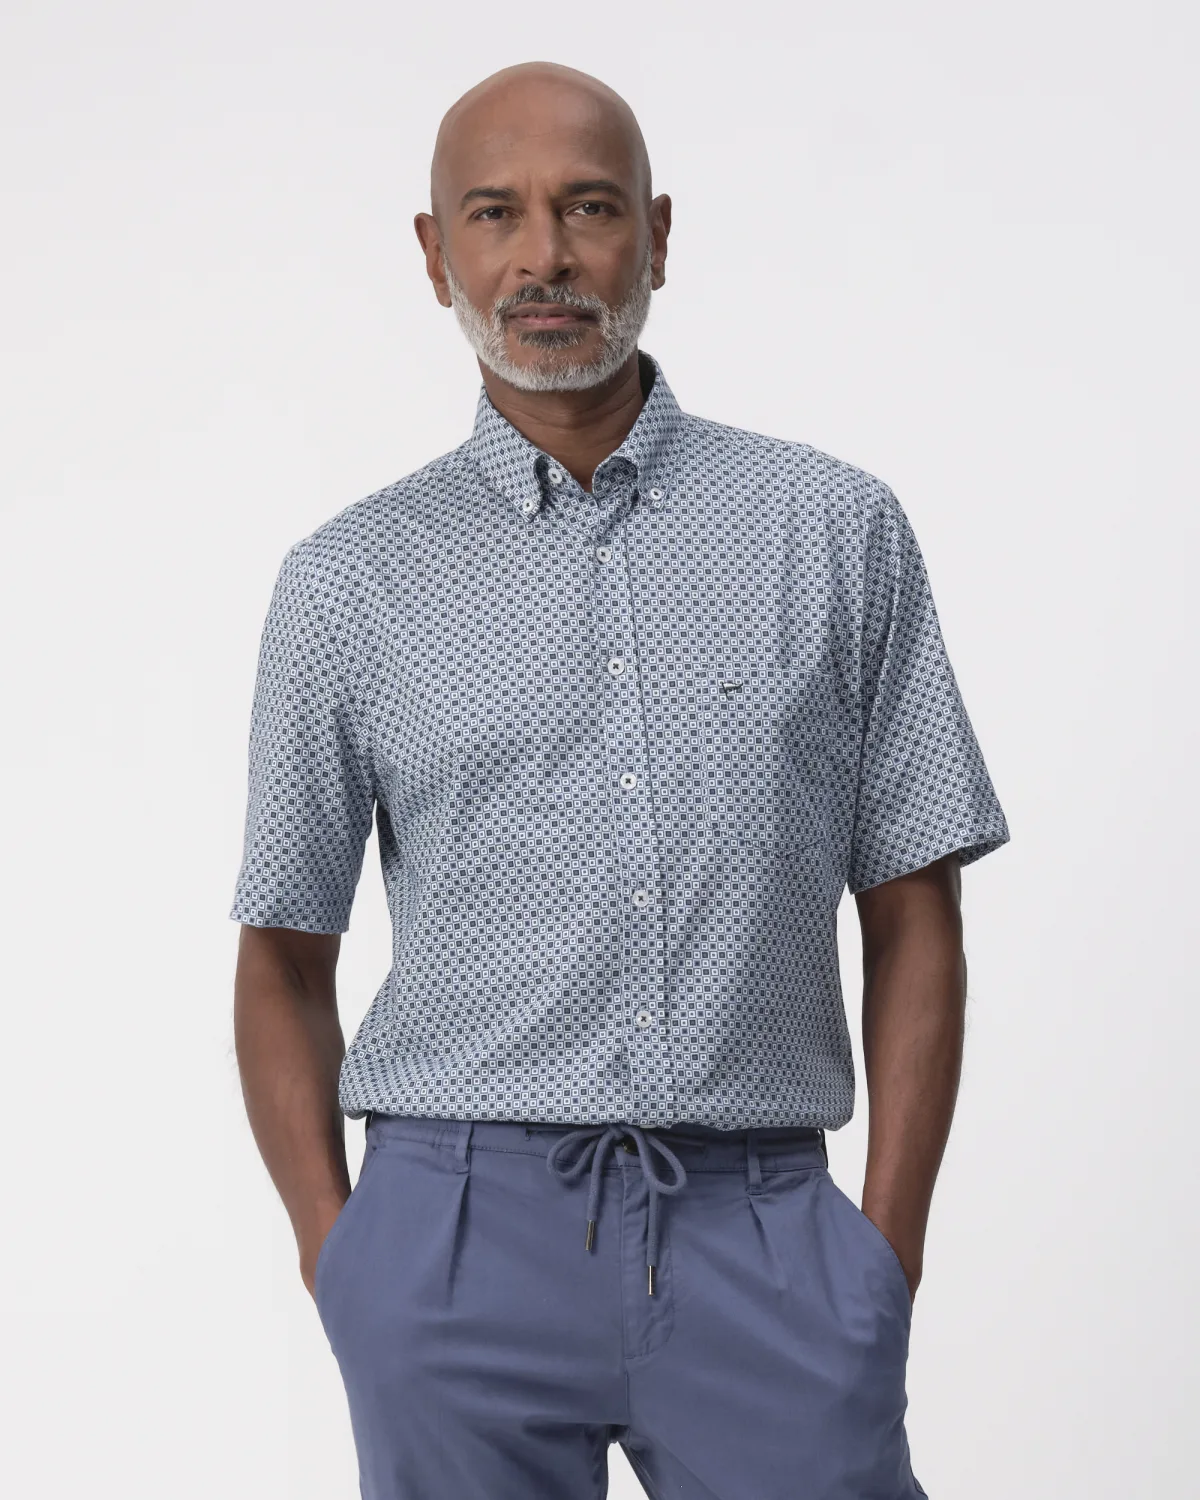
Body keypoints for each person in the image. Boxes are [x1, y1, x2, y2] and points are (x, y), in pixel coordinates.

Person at [229, 58, 1009, 1500]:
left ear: (656, 235)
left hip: (763, 1230)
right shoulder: (348, 583)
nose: (545, 256)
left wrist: (882, 1258)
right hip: (454, 1239)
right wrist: (345, 1264)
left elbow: (916, 913)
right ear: (435, 255)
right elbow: (281, 953)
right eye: (495, 214)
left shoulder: (833, 530)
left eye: (589, 208)